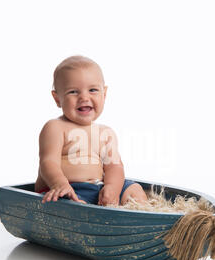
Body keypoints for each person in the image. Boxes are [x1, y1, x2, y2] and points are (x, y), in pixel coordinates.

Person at [35, 55, 148, 206]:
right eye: (73, 92)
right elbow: (48, 162)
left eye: (93, 90)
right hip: (69, 189)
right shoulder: (55, 127)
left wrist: (112, 188)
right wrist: (60, 184)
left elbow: (114, 166)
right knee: (70, 205)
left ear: (104, 94)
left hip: (99, 188)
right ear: (57, 98)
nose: (84, 97)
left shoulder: (106, 133)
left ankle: (130, 218)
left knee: (135, 189)